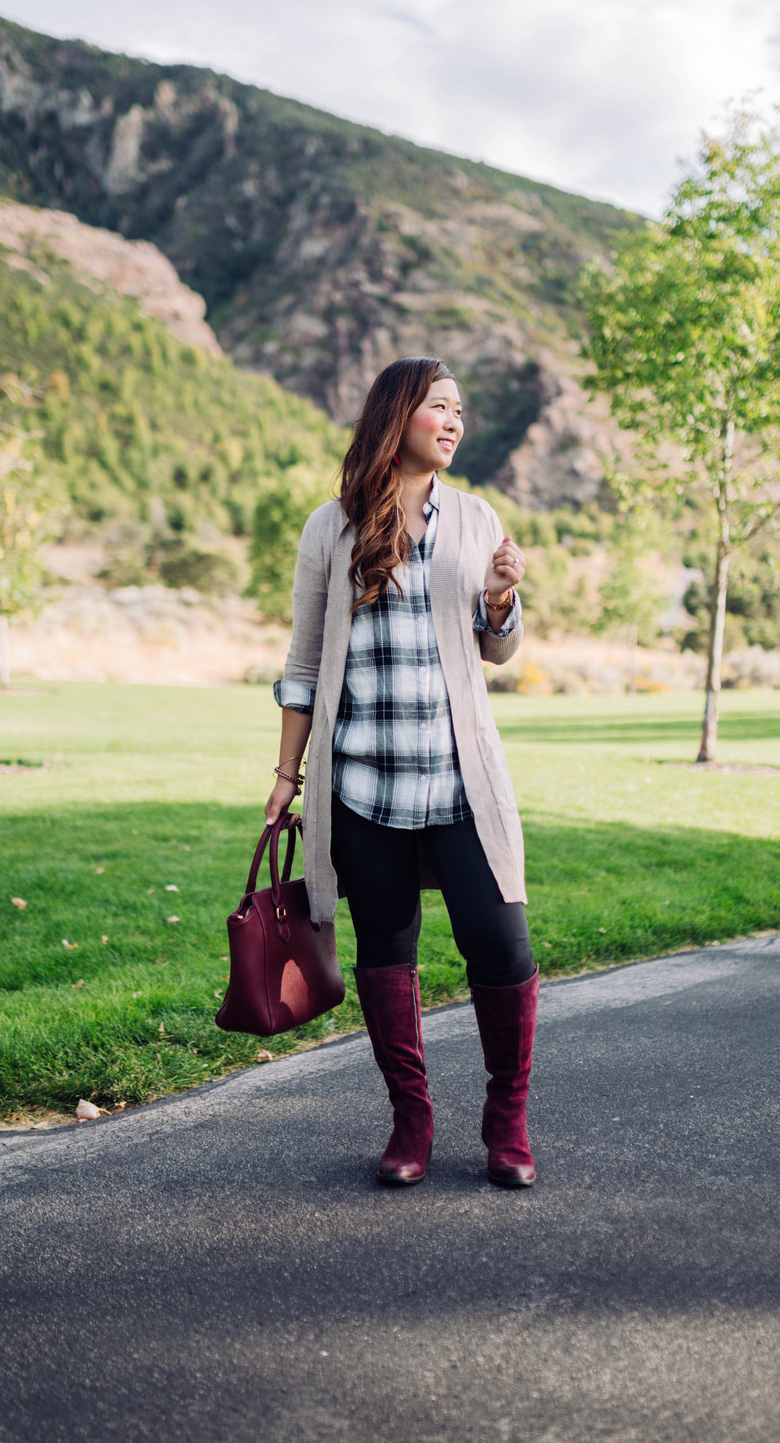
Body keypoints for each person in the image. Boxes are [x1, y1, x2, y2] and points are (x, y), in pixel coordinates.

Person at [266, 357, 537, 1188]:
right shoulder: (331, 525)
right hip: (361, 784)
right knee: (387, 951)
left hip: (460, 782)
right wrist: (287, 775)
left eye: (460, 412)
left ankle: (506, 1123)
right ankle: (410, 1122)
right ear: (397, 415)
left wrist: (499, 600)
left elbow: (498, 649)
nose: (453, 423)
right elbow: (304, 661)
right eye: (438, 408)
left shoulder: (475, 516)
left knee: (500, 945)